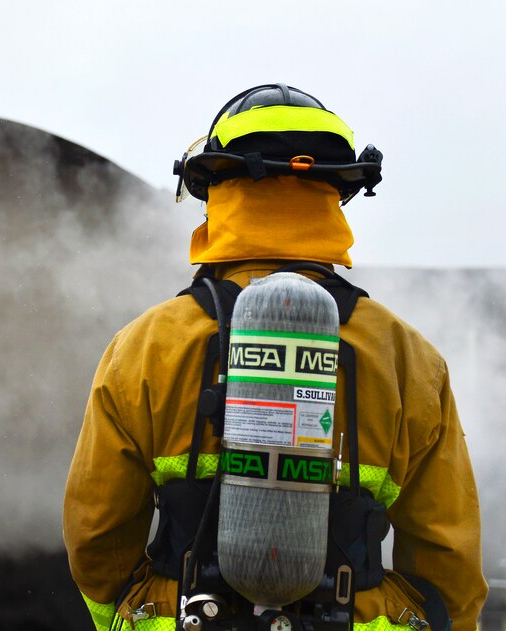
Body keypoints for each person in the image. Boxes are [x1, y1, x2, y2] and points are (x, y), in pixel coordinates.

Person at [63, 84, 487, 631]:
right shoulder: (409, 357)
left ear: (214, 192)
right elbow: (446, 553)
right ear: (336, 195)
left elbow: (96, 532)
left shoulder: (145, 347)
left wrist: (134, 613)